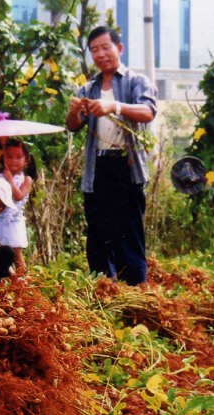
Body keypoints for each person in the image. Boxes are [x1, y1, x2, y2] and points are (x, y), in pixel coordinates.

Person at [66, 25, 157, 286]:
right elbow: (73, 125)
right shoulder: (90, 87)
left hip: (126, 167)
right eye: (94, 50)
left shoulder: (136, 81)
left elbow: (148, 111)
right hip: (97, 169)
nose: (100, 54)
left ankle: (135, 296)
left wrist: (114, 106)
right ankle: (104, 291)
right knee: (98, 235)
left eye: (105, 47)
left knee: (129, 235)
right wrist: (74, 110)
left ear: (119, 48)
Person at [0, 138, 35, 275]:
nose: (13, 161)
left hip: (14, 222)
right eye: (9, 157)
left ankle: (24, 281)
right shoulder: (0, 176)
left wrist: (10, 180)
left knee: (17, 255)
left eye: (18, 157)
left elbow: (18, 196)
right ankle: (9, 280)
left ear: (26, 160)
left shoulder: (26, 179)